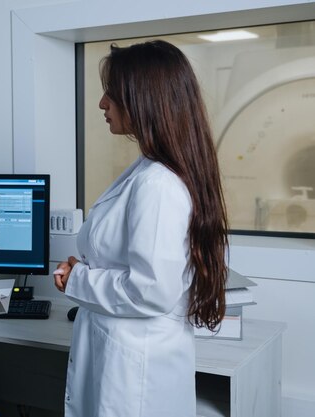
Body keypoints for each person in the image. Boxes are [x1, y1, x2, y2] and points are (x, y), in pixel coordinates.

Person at [53, 40, 228, 417]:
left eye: (111, 94)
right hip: (126, 351)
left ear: (143, 100)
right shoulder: (148, 170)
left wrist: (78, 279)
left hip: (134, 368)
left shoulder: (158, 184)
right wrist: (86, 273)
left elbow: (151, 290)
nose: (102, 104)